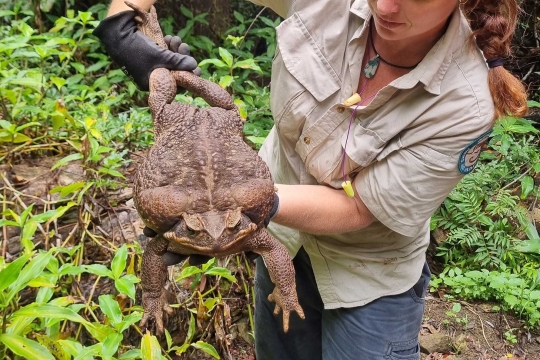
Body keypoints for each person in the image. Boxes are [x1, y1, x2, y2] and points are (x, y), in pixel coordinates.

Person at [94, 0, 528, 359]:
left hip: (365, 275)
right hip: (280, 240)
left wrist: (236, 208)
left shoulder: (466, 103)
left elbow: (360, 207)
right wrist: (126, 20)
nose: (386, 5)